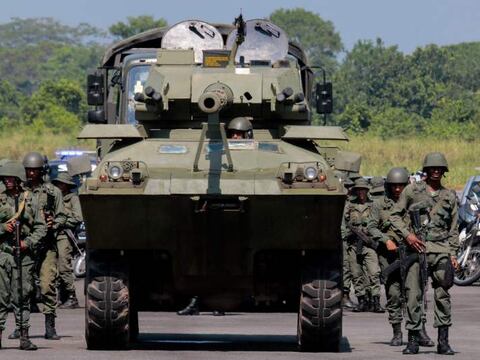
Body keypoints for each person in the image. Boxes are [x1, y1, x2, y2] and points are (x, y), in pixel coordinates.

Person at [390, 152, 458, 355]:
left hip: (441, 251)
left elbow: (454, 228)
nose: (436, 171)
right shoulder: (412, 190)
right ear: (426, 170)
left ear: (444, 171)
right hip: (416, 250)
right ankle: (413, 340)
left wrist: (453, 253)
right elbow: (395, 216)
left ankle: (443, 342)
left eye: (439, 169)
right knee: (413, 295)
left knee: (443, 295)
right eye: (432, 168)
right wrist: (407, 235)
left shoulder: (449, 196)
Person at [367, 167, 434, 347]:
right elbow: (371, 227)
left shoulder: (414, 203)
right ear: (388, 186)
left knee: (416, 293)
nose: (397, 189)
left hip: (411, 254)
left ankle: (420, 331)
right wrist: (385, 239)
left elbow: (427, 223)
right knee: (394, 294)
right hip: (390, 256)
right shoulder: (379, 204)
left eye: (401, 186)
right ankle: (397, 332)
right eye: (394, 186)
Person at [12, 152, 66, 341]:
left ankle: (50, 325)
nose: (31, 173)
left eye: (34, 170)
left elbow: (62, 216)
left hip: (46, 246)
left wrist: (54, 224)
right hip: (25, 245)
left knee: (46, 285)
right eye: (28, 170)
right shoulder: (19, 192)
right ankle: (21, 326)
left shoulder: (53, 192)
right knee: (22, 287)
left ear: (42, 170)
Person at [0, 161, 47, 350]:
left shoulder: (29, 200)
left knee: (22, 297)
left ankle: (24, 336)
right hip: (3, 255)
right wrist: (3, 228)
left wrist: (27, 243)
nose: (7, 181)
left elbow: (41, 227)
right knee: (1, 297)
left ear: (19, 179)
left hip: (24, 256)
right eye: (5, 178)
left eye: (11, 178)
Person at [341, 178, 382, 313]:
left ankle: (375, 301)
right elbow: (344, 224)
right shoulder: (349, 205)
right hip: (353, 244)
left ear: (367, 190)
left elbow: (379, 223)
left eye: (363, 190)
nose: (361, 192)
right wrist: (348, 235)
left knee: (374, 272)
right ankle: (362, 301)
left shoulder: (373, 205)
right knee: (356, 273)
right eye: (358, 190)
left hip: (369, 243)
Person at [52, 173, 82, 309]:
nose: (59, 186)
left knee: (64, 266)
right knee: (54, 268)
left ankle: (72, 296)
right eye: (58, 183)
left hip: (65, 234)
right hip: (53, 235)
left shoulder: (73, 199)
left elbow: (78, 217)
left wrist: (62, 218)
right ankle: (61, 296)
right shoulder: (54, 198)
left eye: (62, 184)